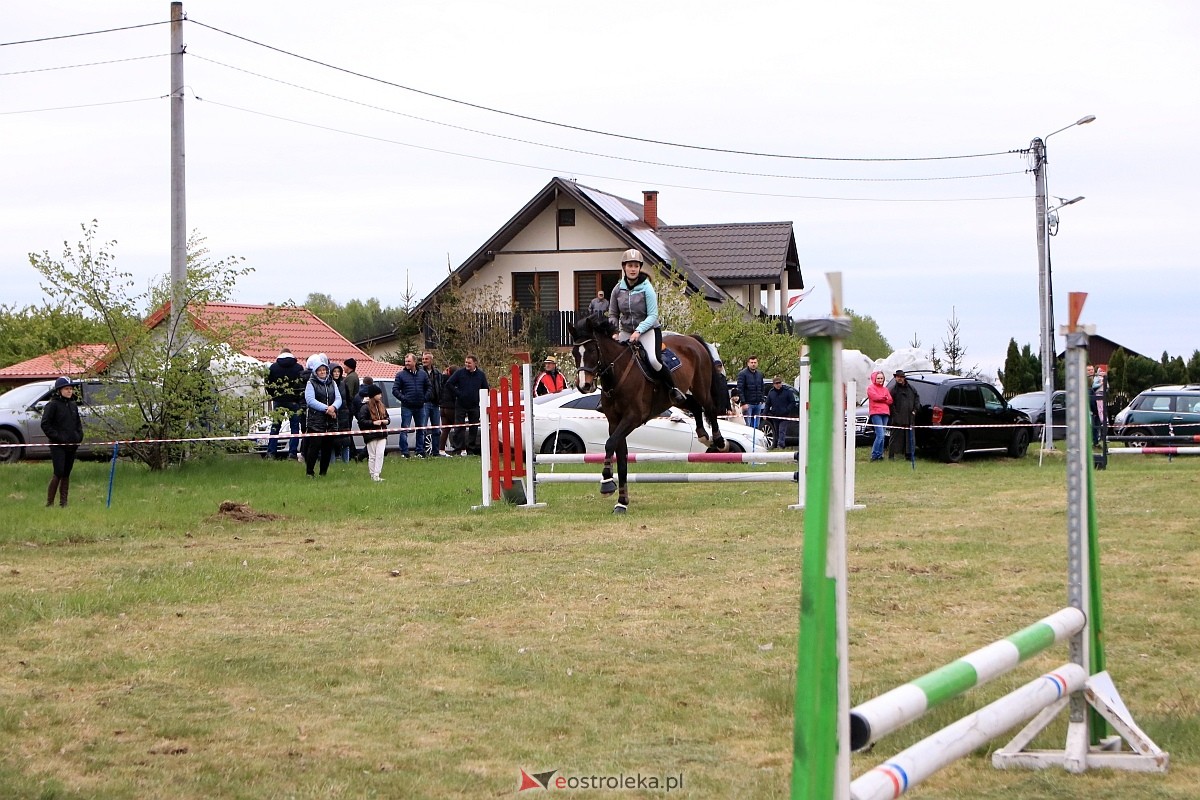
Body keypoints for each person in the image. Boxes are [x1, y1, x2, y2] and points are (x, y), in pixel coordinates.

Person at [606, 248, 687, 404]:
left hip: (648, 330)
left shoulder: (646, 287)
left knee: (654, 360)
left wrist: (639, 331)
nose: (633, 269)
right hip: (626, 331)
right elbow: (613, 314)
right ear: (624, 267)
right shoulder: (617, 289)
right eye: (630, 265)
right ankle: (608, 397)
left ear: (639, 268)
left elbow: (652, 315)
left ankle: (672, 389)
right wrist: (614, 331)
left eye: (636, 266)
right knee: (611, 361)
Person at [40, 376, 83, 507]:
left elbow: (78, 424)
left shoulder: (72, 405)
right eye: (66, 389)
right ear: (59, 390)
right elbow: (45, 425)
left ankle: (63, 502)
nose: (69, 391)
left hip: (72, 445)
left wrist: (78, 436)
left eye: (71, 389)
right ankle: (50, 503)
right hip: (58, 445)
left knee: (66, 472)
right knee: (58, 472)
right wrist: (58, 437)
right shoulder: (52, 405)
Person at [302, 353, 342, 477]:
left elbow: (339, 398)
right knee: (314, 447)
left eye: (324, 370)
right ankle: (310, 472)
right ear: (315, 372)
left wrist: (333, 407)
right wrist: (326, 409)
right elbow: (310, 400)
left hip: (330, 421)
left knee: (327, 448)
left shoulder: (332, 383)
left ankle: (323, 472)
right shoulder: (311, 383)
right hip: (316, 421)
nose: (322, 372)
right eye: (320, 370)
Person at [265, 348, 306, 461]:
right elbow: (301, 385)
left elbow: (268, 384)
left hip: (279, 400)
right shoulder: (298, 367)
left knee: (275, 426)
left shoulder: (273, 367)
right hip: (294, 401)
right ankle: (292, 453)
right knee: (294, 427)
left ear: (280, 354)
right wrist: (296, 397)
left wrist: (274, 395)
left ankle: (271, 452)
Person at [445, 354, 489, 456]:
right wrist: (458, 394)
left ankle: (471, 449)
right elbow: (449, 383)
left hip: (474, 405)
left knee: (473, 428)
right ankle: (458, 449)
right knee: (459, 427)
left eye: (469, 363)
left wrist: (481, 399)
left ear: (475, 363)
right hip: (461, 404)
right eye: (466, 362)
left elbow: (485, 388)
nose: (467, 365)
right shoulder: (460, 373)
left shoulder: (481, 375)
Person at [393, 352, 431, 458]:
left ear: (415, 362)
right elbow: (395, 390)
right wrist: (404, 399)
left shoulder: (423, 374)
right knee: (404, 428)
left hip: (420, 406)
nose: (407, 363)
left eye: (409, 361)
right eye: (405, 361)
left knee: (421, 429)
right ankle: (404, 452)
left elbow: (429, 387)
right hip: (407, 407)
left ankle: (420, 451)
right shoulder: (400, 375)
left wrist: (425, 398)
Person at [356, 383, 390, 481]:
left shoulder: (382, 406)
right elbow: (361, 421)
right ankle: (372, 475)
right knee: (372, 455)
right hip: (371, 435)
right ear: (373, 395)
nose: (381, 396)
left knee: (380, 454)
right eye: (378, 394)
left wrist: (386, 421)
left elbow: (388, 418)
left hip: (382, 434)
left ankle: (377, 474)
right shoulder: (365, 407)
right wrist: (373, 423)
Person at [888, 370, 920, 460]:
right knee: (894, 437)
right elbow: (891, 404)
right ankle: (891, 456)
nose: (899, 379)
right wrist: (895, 415)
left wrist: (915, 410)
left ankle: (909, 455)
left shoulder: (911, 388)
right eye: (898, 377)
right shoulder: (893, 390)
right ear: (895, 378)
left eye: (901, 377)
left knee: (909, 437)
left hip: (910, 416)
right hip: (897, 417)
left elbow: (917, 399)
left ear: (904, 378)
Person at [421, 351, 445, 457]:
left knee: (436, 429)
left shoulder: (437, 373)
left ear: (431, 360)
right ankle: (421, 452)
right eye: (423, 359)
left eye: (426, 359)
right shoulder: (419, 372)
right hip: (424, 403)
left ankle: (436, 451)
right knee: (423, 428)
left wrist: (440, 398)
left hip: (435, 403)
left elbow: (441, 387)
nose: (424, 361)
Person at [765, 377, 799, 449]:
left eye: (779, 383)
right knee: (776, 431)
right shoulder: (771, 393)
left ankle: (781, 445)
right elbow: (768, 404)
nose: (778, 385)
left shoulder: (787, 391)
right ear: (773, 384)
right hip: (775, 415)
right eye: (776, 383)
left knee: (782, 430)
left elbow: (792, 402)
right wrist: (764, 413)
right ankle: (776, 445)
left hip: (785, 416)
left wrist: (787, 410)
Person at [867, 370, 893, 462]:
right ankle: (874, 455)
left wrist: (883, 398)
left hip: (885, 413)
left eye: (881, 378)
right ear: (874, 379)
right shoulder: (870, 388)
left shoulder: (885, 389)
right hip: (876, 413)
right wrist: (883, 398)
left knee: (883, 434)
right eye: (878, 378)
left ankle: (880, 455)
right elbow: (874, 397)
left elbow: (890, 400)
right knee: (880, 435)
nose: (880, 380)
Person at [330, 364, 353, 463]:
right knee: (332, 442)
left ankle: (346, 462)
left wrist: (347, 411)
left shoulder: (344, 384)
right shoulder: (328, 384)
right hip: (332, 415)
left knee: (346, 441)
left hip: (343, 415)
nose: (336, 373)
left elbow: (348, 399)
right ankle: (332, 463)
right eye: (334, 371)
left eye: (338, 371)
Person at [737, 356, 766, 429]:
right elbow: (740, 389)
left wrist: (761, 399)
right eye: (752, 362)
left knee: (756, 426)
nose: (753, 364)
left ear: (757, 363)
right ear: (748, 363)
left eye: (755, 362)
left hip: (758, 404)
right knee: (747, 426)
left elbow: (762, 387)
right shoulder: (742, 374)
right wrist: (743, 402)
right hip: (748, 404)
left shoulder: (759, 374)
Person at [439, 363, 458, 454]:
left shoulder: (441, 380)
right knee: (458, 428)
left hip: (442, 407)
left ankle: (441, 449)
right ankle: (459, 448)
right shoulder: (453, 382)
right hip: (451, 407)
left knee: (445, 430)